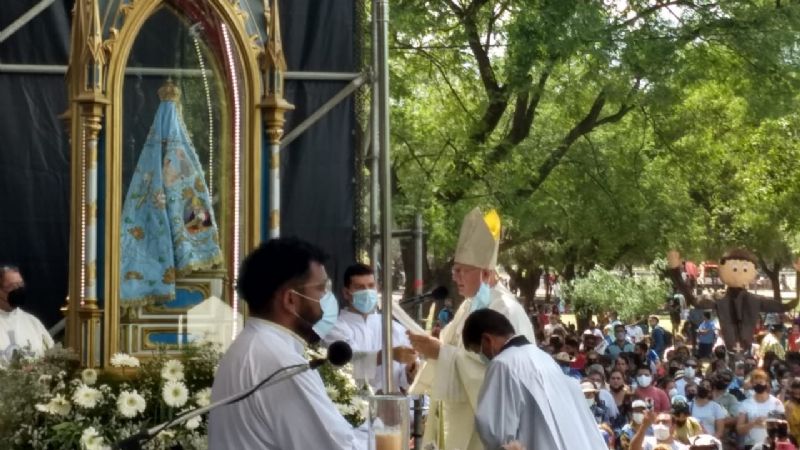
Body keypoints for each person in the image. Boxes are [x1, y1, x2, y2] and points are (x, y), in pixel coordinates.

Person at [208, 238, 363, 449]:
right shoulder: (282, 363)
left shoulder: (253, 345)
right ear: (291, 299)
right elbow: (335, 445)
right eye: (321, 288)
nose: (328, 297)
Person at [407, 208, 535, 450]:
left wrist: (440, 353)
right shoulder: (469, 305)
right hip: (456, 417)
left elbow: (504, 376)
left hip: (487, 430)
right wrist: (428, 352)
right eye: (454, 270)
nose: (454, 277)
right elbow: (447, 351)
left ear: (485, 273)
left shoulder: (505, 310)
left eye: (461, 270)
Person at [463, 308, 607, 449]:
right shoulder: (545, 358)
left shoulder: (503, 364)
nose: (483, 357)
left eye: (478, 351)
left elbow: (495, 432)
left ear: (487, 340)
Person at [324, 263, 417, 394]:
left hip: (393, 404)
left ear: (377, 288)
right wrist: (389, 354)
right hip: (356, 404)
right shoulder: (335, 328)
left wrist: (410, 372)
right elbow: (348, 364)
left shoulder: (393, 327)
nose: (367, 291)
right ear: (346, 293)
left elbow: (405, 378)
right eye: (359, 287)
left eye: (371, 286)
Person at [0, 265, 53, 363]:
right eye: (12, 286)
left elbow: (52, 355)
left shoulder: (32, 322)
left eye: (21, 284)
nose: (18, 289)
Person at [737, 369, 786, 449]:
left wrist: (769, 422)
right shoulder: (745, 404)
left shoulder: (776, 403)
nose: (758, 385)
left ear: (766, 383)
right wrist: (753, 423)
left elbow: (783, 426)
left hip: (772, 445)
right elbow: (739, 429)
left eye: (761, 382)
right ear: (752, 384)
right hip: (751, 445)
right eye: (755, 383)